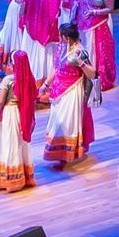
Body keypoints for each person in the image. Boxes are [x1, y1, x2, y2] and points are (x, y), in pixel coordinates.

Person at [42, 20, 98, 169]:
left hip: (72, 92)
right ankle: (60, 154)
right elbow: (57, 68)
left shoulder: (79, 52)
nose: (59, 38)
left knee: (66, 124)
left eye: (60, 36)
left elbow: (92, 74)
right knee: (56, 122)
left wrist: (81, 63)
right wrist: (46, 84)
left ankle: (65, 156)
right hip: (58, 92)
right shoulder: (62, 48)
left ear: (66, 37)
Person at [0, 50, 39, 193]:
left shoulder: (8, 80)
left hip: (10, 114)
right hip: (21, 115)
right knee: (20, 144)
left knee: (9, 144)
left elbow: (0, 101)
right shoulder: (30, 79)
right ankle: (23, 177)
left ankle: (10, 180)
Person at [76, 0, 118, 93]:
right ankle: (83, 77)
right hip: (84, 25)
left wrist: (94, 12)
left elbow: (110, 9)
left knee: (97, 52)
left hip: (98, 25)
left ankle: (97, 78)